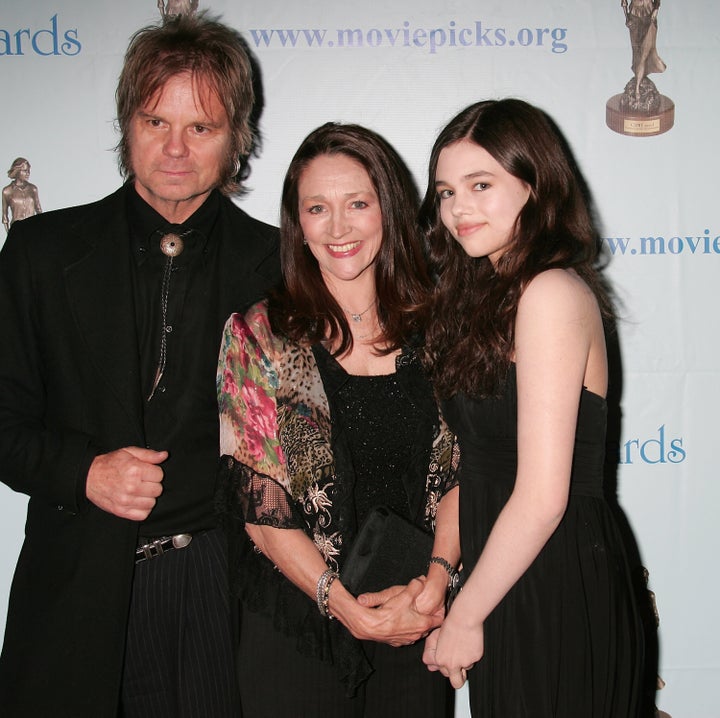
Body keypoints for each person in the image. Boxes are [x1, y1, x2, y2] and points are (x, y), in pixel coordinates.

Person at [0, 13, 280, 718]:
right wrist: (83, 471)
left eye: (202, 128)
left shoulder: (282, 266)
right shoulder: (40, 254)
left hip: (231, 592)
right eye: (156, 122)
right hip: (78, 591)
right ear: (127, 124)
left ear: (237, 139)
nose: (175, 149)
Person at [216, 122, 460, 717]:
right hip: (297, 627)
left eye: (358, 203)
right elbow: (259, 504)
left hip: (413, 619)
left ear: (389, 209)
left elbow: (460, 474)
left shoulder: (442, 331)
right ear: (297, 224)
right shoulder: (258, 336)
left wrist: (436, 584)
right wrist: (342, 605)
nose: (339, 227)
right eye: (317, 208)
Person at [417, 99, 644, 716]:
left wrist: (465, 616)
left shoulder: (549, 292)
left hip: (556, 573)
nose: (458, 208)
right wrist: (448, 580)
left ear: (535, 186)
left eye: (481, 185)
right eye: (445, 191)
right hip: (507, 572)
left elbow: (544, 495)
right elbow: (482, 467)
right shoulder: (488, 298)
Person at [2, 157, 42, 231]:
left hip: (32, 227)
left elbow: (39, 210)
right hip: (17, 230)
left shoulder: (33, 189)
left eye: (29, 171)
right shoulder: (7, 191)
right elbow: (5, 216)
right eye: (25, 171)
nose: (28, 173)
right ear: (17, 171)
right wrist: (9, 236)